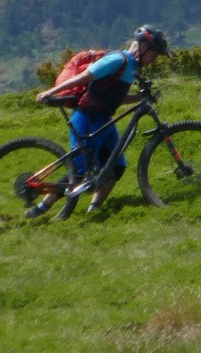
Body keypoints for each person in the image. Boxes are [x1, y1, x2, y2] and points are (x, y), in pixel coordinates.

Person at [30, 25, 170, 215]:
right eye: (154, 55)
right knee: (79, 173)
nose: (153, 60)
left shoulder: (131, 67)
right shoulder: (118, 60)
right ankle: (41, 208)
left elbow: (113, 96)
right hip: (87, 118)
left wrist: (139, 98)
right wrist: (51, 92)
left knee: (116, 167)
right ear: (143, 47)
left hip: (105, 121)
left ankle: (93, 210)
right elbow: (85, 77)